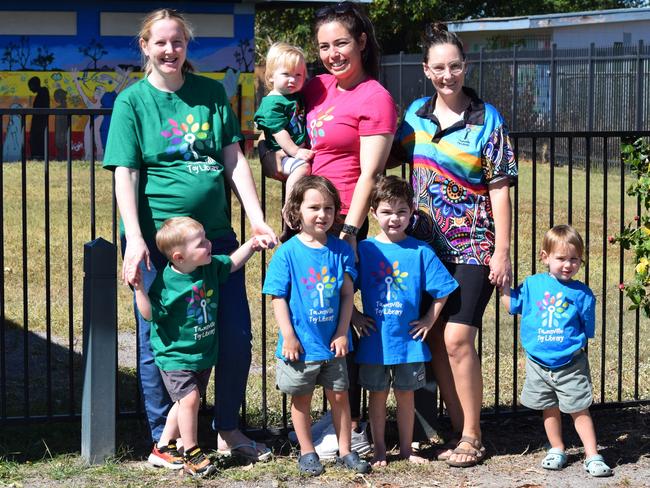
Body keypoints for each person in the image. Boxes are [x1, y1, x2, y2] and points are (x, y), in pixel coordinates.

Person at [103, 8, 276, 465]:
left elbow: (233, 159)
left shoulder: (211, 93)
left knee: (234, 334)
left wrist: (256, 218)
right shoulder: (132, 102)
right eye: (159, 42)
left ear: (186, 46)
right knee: (161, 337)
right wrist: (135, 238)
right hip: (160, 245)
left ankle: (227, 430)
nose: (169, 50)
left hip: (214, 238)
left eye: (177, 42)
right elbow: (125, 173)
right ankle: (167, 440)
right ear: (144, 46)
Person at [259, 1, 398, 457]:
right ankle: (323, 418)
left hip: (338, 227)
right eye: (324, 46)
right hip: (305, 221)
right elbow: (270, 130)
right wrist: (280, 162)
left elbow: (370, 175)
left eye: (341, 43)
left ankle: (351, 426)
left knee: (346, 321)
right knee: (307, 315)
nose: (332, 54)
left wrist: (351, 230)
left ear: (360, 42)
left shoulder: (374, 97)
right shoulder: (314, 86)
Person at [394, 22, 517, 467]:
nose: (448, 75)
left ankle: (472, 434)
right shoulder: (413, 117)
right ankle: (459, 428)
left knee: (458, 337)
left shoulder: (488, 120)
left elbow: (501, 190)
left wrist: (501, 252)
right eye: (439, 67)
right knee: (437, 340)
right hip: (424, 249)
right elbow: (381, 157)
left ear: (466, 67)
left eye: (455, 66)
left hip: (472, 246)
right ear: (426, 70)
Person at [133, 217, 272, 477]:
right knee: (190, 399)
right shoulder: (166, 284)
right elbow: (150, 315)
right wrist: (140, 289)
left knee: (185, 403)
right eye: (201, 243)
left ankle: (162, 446)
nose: (209, 245)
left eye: (206, 239)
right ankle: (192, 452)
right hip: (175, 355)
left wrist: (252, 245)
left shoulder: (208, 268)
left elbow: (231, 263)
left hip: (201, 353)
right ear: (179, 256)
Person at [262, 176, 371, 476]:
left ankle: (346, 451)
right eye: (314, 207)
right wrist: (288, 336)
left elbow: (348, 294)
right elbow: (277, 297)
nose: (322, 214)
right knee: (302, 399)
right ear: (296, 210)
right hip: (301, 345)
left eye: (329, 208)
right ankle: (307, 451)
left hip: (333, 343)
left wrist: (342, 332)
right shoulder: (287, 253)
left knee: (340, 397)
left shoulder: (341, 251)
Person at [353, 176, 458, 466]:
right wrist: (354, 315)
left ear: (412, 211)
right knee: (376, 396)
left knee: (406, 396)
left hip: (408, 344)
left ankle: (408, 450)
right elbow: (344, 288)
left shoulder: (421, 251)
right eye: (386, 212)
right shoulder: (365, 250)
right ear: (373, 213)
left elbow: (443, 290)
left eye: (401, 211)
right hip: (375, 342)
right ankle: (378, 450)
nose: (394, 218)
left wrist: (428, 319)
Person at [500, 225, 613, 478]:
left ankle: (592, 454)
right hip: (538, 364)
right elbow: (513, 305)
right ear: (545, 257)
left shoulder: (582, 293)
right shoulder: (532, 285)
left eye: (574, 259)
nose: (567, 265)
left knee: (579, 409)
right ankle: (557, 448)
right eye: (561, 258)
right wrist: (502, 285)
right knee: (548, 408)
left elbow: (586, 328)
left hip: (570, 364)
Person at [254, 42, 313, 241]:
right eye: (286, 74)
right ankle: (289, 208)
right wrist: (296, 151)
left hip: (293, 152)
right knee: (301, 169)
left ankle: (292, 225)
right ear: (270, 76)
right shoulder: (273, 102)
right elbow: (280, 133)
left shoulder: (294, 97)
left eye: (298, 75)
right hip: (282, 153)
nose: (292, 80)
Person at [28, 76, 50, 160]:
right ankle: (37, 156)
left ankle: (38, 156)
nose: (30, 89)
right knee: (35, 139)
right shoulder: (42, 93)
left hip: (39, 123)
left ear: (35, 85)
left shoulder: (43, 92)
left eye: (30, 86)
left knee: (37, 139)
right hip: (39, 122)